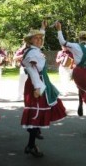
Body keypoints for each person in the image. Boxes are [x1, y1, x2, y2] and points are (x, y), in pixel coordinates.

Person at [21, 20, 67, 157]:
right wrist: (38, 87)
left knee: (38, 115)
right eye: (37, 38)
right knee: (36, 115)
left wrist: (43, 28)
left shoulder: (35, 50)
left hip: (41, 83)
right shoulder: (31, 53)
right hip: (37, 84)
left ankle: (31, 144)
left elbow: (40, 40)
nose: (40, 40)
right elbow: (32, 70)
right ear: (30, 40)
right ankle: (31, 145)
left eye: (41, 38)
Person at [55, 22, 86, 137]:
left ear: (79, 38)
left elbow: (62, 42)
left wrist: (59, 29)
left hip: (79, 73)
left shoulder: (75, 46)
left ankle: (81, 103)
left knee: (81, 88)